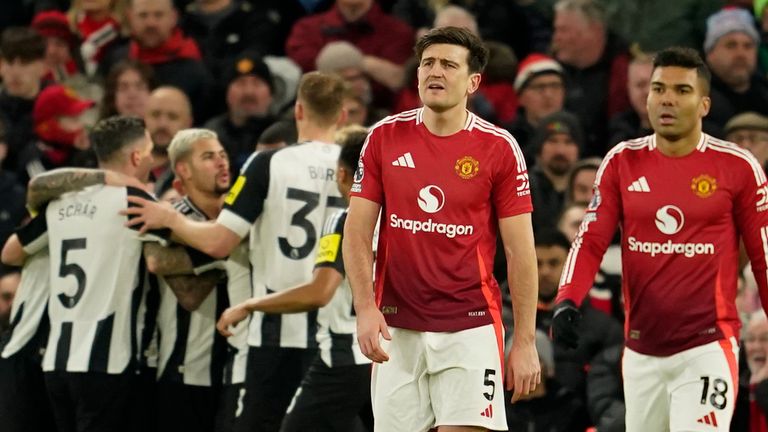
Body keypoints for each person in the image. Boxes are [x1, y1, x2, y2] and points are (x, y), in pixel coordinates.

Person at [552, 46, 768, 431]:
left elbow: (763, 256)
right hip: (640, 352)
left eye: (681, 90)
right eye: (658, 88)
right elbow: (590, 239)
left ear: (704, 104)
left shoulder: (737, 168)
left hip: (707, 346)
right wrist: (568, 298)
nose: (667, 98)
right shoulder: (621, 162)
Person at [121, 71, 348, 431]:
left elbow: (219, 242)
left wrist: (171, 219)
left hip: (273, 333)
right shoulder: (357, 168)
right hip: (336, 333)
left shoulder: (267, 164)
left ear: (299, 111)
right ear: (343, 115)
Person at [342, 26, 540, 431]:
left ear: (473, 82)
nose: (436, 71)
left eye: (449, 64)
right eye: (428, 63)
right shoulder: (383, 137)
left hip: (470, 325)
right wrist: (364, 307)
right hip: (397, 326)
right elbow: (358, 231)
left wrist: (525, 341)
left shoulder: (499, 148)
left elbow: (521, 253)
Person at [0, 116, 169, 432]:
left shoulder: (60, 203)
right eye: (149, 153)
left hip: (54, 358)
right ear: (136, 157)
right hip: (104, 360)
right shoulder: (139, 204)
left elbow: (10, 252)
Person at [217, 125, 372, 431]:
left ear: (341, 174)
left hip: (343, 355)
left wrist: (251, 304)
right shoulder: (401, 220)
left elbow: (320, 291)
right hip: (389, 357)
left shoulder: (344, 219)